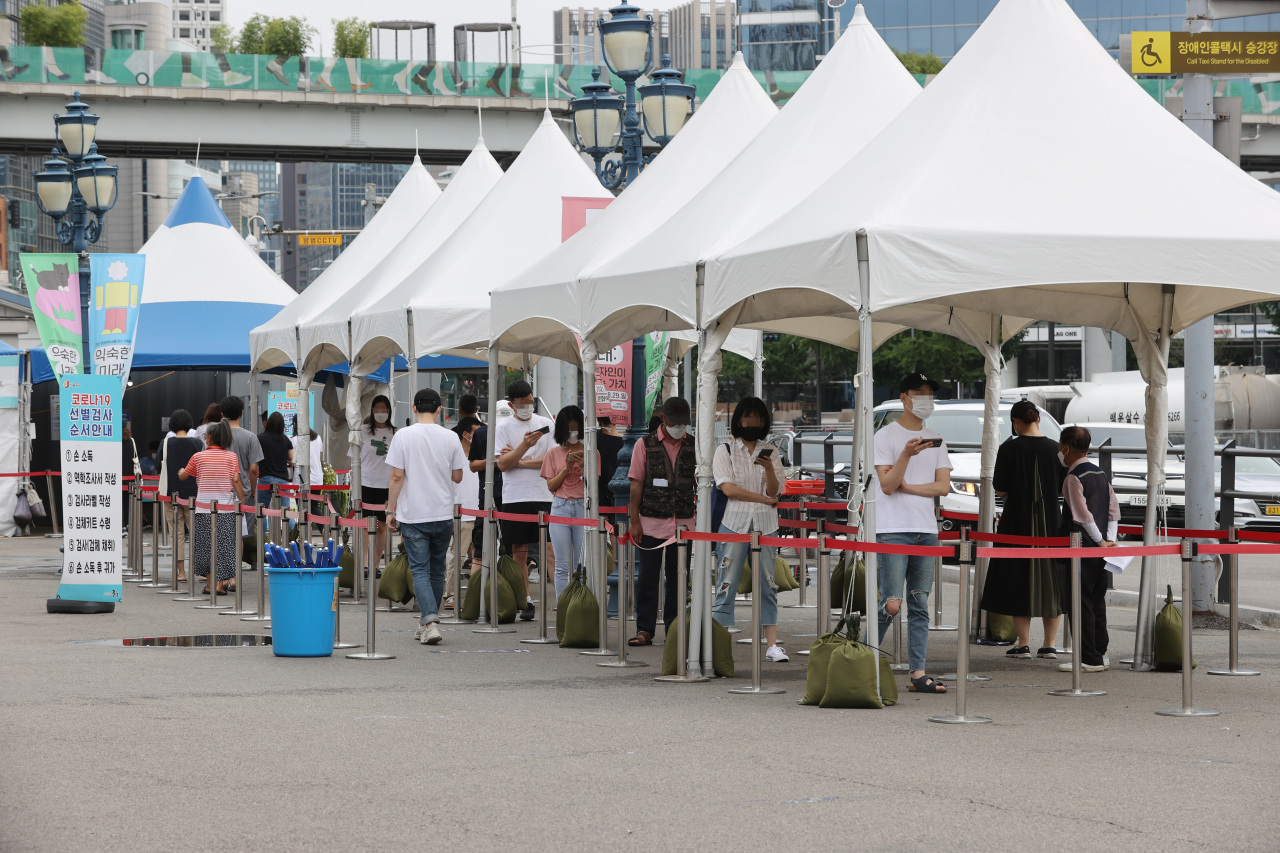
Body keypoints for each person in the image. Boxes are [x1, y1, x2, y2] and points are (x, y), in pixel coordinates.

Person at [873, 372, 952, 694]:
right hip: (892, 529)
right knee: (891, 603)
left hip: (925, 530)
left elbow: (943, 487)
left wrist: (909, 486)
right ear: (904, 397)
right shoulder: (885, 436)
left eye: (930, 394)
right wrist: (906, 455)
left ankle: (918, 673)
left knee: (920, 604)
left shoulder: (935, 437)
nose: (926, 399)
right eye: (919, 393)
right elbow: (888, 486)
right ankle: (862, 660)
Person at [979, 400, 1065, 659]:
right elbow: (1063, 486)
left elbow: (1001, 488)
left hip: (1017, 522)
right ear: (1038, 419)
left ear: (1016, 422)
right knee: (1053, 579)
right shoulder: (1056, 448)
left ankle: (1023, 643)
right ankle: (1049, 643)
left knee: (1017, 576)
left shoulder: (1009, 449)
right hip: (1051, 522)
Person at [386, 389, 467, 646]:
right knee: (436, 569)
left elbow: (397, 476)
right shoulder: (451, 437)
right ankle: (427, 622)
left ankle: (430, 621)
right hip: (443, 512)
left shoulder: (403, 435)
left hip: (414, 514)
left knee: (420, 569)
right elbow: (457, 477)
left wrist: (390, 509)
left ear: (413, 408)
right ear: (440, 409)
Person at [711, 397, 789, 662]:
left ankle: (772, 644)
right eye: (747, 418)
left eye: (758, 418)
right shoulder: (725, 450)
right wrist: (764, 500)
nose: (752, 423)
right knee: (726, 581)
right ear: (738, 420)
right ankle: (718, 641)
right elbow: (728, 488)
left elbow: (775, 491)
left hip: (766, 525)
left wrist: (769, 472)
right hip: (733, 523)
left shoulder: (771, 451)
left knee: (768, 583)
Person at [627, 397, 696, 647]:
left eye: (684, 423)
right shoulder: (644, 444)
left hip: (685, 526)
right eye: (675, 422)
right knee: (647, 577)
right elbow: (635, 486)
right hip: (651, 522)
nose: (680, 427)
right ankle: (644, 628)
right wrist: (634, 521)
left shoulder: (694, 445)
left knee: (678, 578)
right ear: (664, 419)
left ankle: (674, 629)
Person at [1057, 425, 1120, 673]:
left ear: (1066, 447)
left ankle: (1089, 658)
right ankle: (1100, 652)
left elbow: (1082, 515)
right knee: (1097, 600)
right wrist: (1108, 540)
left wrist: (1098, 540)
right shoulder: (1100, 473)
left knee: (1079, 600)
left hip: (1079, 546)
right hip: (1100, 549)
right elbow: (1113, 510)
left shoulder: (1073, 477)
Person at [494, 380, 555, 621]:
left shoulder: (546, 424)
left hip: (544, 494)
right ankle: (525, 600)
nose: (527, 407)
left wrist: (518, 460)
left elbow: (551, 460)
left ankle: (563, 599)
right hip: (515, 497)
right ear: (511, 405)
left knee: (551, 549)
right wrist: (525, 446)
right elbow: (502, 465)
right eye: (522, 404)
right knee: (518, 552)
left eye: (530, 402)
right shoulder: (502, 427)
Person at [178, 419, 244, 594]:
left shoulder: (198, 457)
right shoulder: (231, 456)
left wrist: (180, 471)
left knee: (206, 547)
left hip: (203, 509)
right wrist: (243, 501)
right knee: (223, 547)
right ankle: (220, 585)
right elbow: (236, 480)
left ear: (209, 438)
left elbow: (184, 476)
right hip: (226, 509)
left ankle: (209, 584)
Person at [540, 405, 599, 598]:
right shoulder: (553, 453)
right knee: (561, 564)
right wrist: (566, 468)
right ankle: (563, 606)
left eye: (575, 428)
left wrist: (584, 466)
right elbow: (551, 486)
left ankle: (580, 606)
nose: (572, 433)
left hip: (583, 506)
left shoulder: (592, 453)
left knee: (581, 564)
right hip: (560, 506)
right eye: (569, 429)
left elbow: (594, 485)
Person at [155, 409, 202, 582]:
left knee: (177, 534)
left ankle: (181, 572)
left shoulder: (166, 443)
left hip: (171, 494)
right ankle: (203, 571)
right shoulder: (198, 444)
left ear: (173, 425)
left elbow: (159, 467)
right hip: (194, 495)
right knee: (198, 532)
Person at [445, 416, 482, 609]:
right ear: (466, 434)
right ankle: (450, 594)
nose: (480, 435)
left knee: (481, 556)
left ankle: (478, 595)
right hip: (461, 513)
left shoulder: (480, 456)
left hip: (480, 512)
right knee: (457, 556)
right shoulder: (454, 456)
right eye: (477, 431)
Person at [468, 401, 511, 563]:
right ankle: (480, 581)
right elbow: (473, 465)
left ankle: (508, 578)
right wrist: (493, 461)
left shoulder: (518, 432)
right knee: (482, 544)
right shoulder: (481, 434)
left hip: (511, 494)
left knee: (511, 545)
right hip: (488, 493)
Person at [359, 395, 396, 568]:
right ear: (372, 411)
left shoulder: (396, 433)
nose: (381, 413)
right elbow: (355, 459)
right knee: (367, 524)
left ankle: (375, 563)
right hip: (367, 483)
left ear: (389, 411)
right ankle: (365, 563)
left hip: (387, 485)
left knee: (382, 526)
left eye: (384, 409)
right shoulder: (363, 431)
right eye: (377, 409)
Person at [256, 412, 295, 512]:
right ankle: (289, 526)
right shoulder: (285, 440)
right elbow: (292, 457)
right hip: (282, 479)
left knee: (262, 511)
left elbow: (255, 459)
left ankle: (263, 528)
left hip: (265, 478)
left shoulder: (260, 438)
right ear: (282, 425)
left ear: (268, 423)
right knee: (286, 512)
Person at [596, 415, 625, 507]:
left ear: (598, 420)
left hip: (600, 492)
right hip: (621, 492)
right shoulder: (626, 442)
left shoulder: (595, 441)